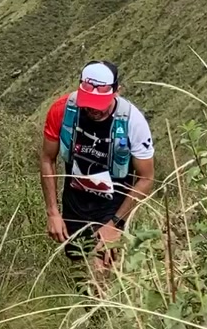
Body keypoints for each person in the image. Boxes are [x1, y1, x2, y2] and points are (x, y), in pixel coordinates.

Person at [40, 61, 154, 270]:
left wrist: (116, 224)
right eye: (88, 102)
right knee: (79, 266)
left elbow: (146, 178)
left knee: (101, 269)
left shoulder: (133, 122)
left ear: (117, 91)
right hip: (75, 201)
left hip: (114, 202)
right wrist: (53, 213)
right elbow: (48, 158)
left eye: (100, 103)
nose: (94, 109)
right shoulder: (62, 111)